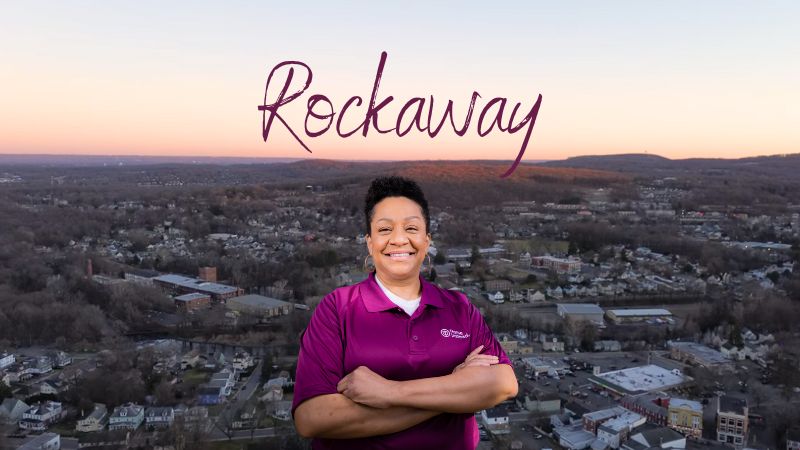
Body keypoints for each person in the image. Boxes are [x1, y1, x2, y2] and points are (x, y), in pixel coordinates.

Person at [291, 176, 518, 449]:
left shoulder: (460, 308)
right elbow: (312, 418)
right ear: (369, 242)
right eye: (385, 230)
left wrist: (390, 392)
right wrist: (456, 390)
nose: (399, 239)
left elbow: (504, 384)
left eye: (411, 228)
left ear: (426, 240)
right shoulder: (337, 309)